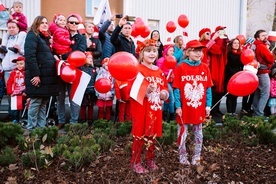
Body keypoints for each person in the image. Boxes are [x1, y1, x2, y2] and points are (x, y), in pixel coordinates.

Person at [130, 39, 169, 174]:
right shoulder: (137, 69)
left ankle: (149, 159)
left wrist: (164, 93)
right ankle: (135, 161)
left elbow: (164, 86)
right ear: (141, 54)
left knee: (151, 134)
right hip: (141, 108)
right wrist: (146, 91)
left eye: (154, 51)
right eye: (148, 51)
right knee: (139, 133)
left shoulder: (159, 71)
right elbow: (132, 90)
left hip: (154, 108)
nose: (152, 54)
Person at [173, 39, 213, 166]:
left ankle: (197, 155)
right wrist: (178, 106)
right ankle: (182, 155)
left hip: (199, 108)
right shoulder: (181, 67)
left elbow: (208, 89)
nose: (198, 53)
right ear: (188, 52)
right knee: (182, 133)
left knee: (198, 134)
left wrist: (208, 105)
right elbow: (177, 89)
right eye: (195, 51)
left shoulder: (205, 67)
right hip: (184, 108)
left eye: (200, 51)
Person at [24, 15, 59, 130]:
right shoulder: (32, 36)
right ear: (36, 24)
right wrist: (36, 74)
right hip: (38, 76)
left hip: (45, 77)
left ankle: (41, 129)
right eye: (42, 22)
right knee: (35, 102)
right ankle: (31, 129)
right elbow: (30, 56)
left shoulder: (43, 38)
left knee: (43, 103)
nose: (45, 24)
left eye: (46, 22)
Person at [56, 14, 87, 129]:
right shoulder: (61, 34)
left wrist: (64, 55)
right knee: (60, 97)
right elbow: (54, 48)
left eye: (76, 23)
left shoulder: (82, 38)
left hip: (75, 71)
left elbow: (79, 52)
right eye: (71, 22)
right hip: (61, 69)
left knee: (74, 97)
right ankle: (61, 120)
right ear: (67, 24)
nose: (74, 24)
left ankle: (74, 122)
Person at [0, 20, 26, 122]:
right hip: (7, 70)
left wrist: (20, 50)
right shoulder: (6, 40)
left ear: (18, 28)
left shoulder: (22, 38)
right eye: (9, 27)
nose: (11, 29)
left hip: (17, 70)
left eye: (13, 27)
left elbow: (25, 53)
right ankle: (11, 115)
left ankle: (17, 117)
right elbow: (3, 56)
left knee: (19, 93)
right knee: (10, 93)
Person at [207, 26, 229, 120]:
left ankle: (216, 109)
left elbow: (223, 51)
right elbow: (215, 50)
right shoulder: (213, 42)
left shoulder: (222, 41)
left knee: (220, 91)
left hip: (221, 69)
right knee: (213, 91)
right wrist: (215, 38)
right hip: (213, 69)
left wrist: (225, 40)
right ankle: (212, 110)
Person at [252, 29, 275, 116]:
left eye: (266, 35)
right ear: (258, 38)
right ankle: (259, 114)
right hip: (263, 72)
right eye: (263, 35)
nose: (265, 37)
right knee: (265, 94)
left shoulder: (254, 45)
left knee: (258, 92)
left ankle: (255, 111)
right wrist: (269, 51)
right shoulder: (261, 46)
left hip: (257, 71)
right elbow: (270, 58)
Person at [224, 38, 243, 116]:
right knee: (230, 96)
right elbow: (227, 66)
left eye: (237, 43)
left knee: (235, 96)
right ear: (231, 44)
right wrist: (234, 73)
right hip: (230, 76)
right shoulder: (228, 54)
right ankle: (229, 113)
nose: (236, 45)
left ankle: (233, 112)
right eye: (234, 43)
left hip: (238, 77)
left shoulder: (241, 54)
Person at [156, 44, 175, 122]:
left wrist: (173, 75)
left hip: (170, 81)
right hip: (164, 81)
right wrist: (167, 73)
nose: (172, 52)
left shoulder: (172, 59)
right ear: (166, 51)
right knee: (171, 98)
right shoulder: (161, 60)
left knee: (167, 100)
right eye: (170, 50)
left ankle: (165, 116)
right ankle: (171, 115)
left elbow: (174, 69)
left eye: (173, 51)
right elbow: (159, 71)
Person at [79, 52, 97, 125]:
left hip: (91, 90)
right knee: (83, 106)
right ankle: (83, 119)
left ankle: (90, 119)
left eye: (91, 58)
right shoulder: (81, 69)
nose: (90, 59)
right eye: (88, 58)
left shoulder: (93, 69)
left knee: (91, 105)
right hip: (84, 90)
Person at [6, 56, 26, 123]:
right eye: (17, 64)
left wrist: (27, 92)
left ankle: (23, 119)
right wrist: (10, 92)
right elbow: (9, 82)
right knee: (15, 109)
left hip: (24, 94)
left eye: (21, 64)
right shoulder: (13, 73)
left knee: (24, 107)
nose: (19, 65)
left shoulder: (26, 73)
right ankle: (15, 119)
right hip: (15, 94)